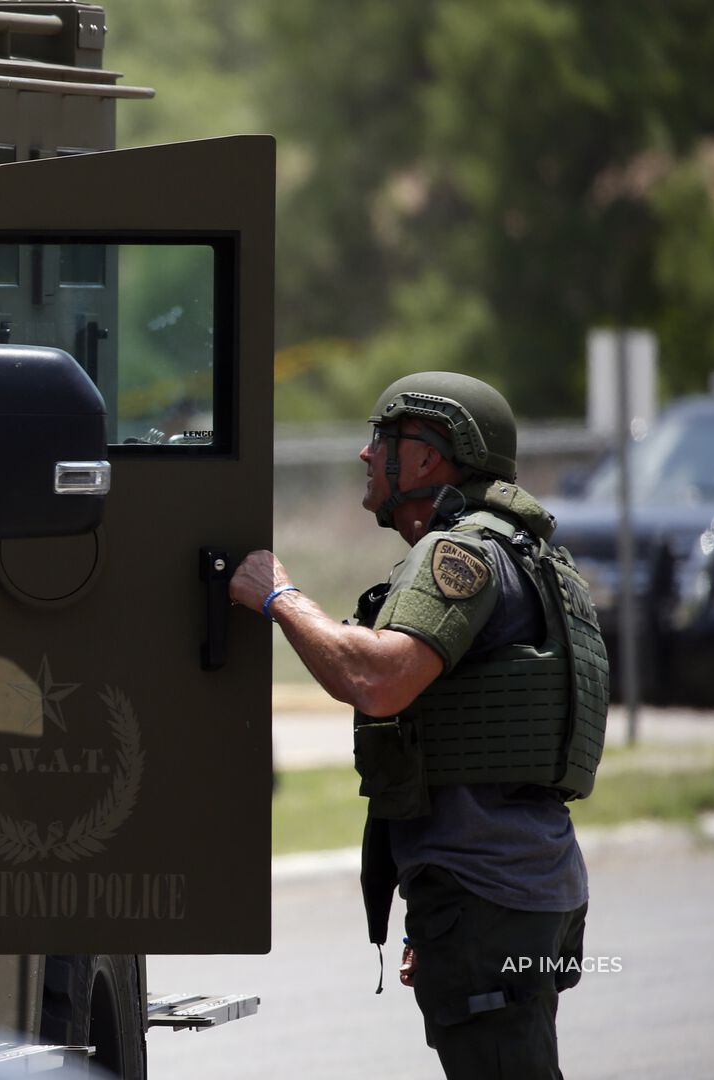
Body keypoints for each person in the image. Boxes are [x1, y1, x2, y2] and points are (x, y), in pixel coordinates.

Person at [231, 372, 607, 1080]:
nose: (367, 455)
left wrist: (277, 594)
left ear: (432, 459)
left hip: (488, 894)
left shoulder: (459, 554)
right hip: (528, 886)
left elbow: (378, 679)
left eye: (384, 438)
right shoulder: (528, 555)